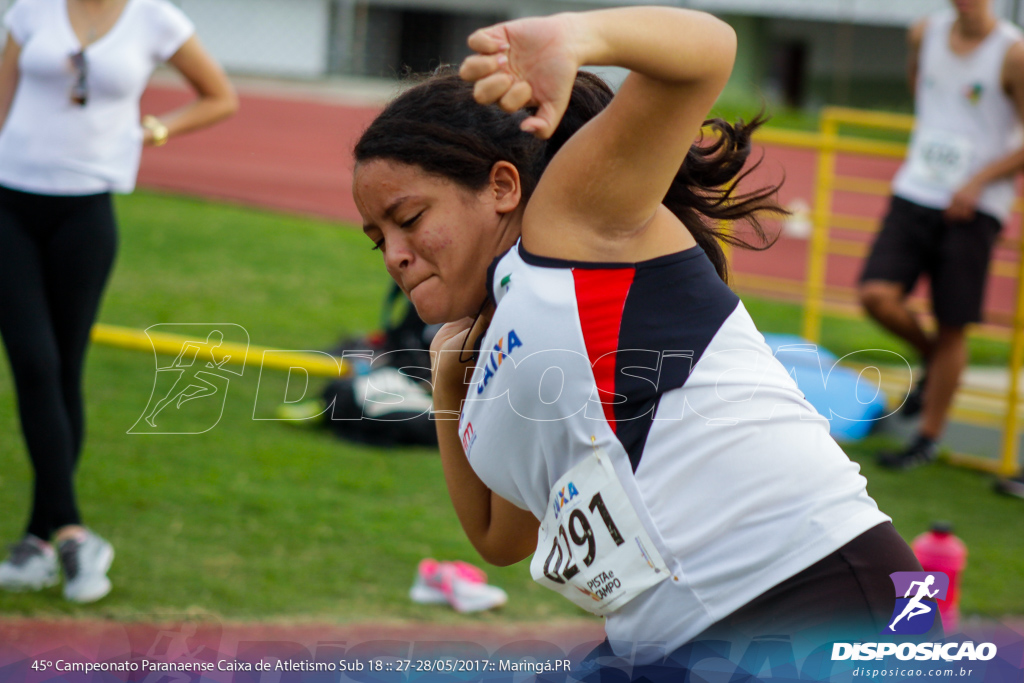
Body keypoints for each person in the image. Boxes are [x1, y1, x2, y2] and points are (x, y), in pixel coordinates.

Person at [352, 7, 926, 670]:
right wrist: (449, 382)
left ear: (503, 187)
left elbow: (708, 53)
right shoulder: (485, 355)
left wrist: (576, 37)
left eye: (409, 217)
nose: (395, 253)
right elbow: (498, 535)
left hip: (813, 592)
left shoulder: (567, 226)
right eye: (378, 240)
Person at [0, 0, 237, 603]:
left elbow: (219, 96)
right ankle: (74, 530)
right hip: (10, 205)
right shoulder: (30, 10)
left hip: (87, 208)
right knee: (34, 363)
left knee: (65, 370)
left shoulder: (156, 18)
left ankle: (36, 540)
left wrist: (156, 129)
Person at [858, 0, 1024, 471]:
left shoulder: (1012, 53)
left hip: (974, 208)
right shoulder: (924, 33)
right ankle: (936, 365)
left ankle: (926, 438)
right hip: (916, 188)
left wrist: (977, 181)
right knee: (876, 295)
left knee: (954, 321)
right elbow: (924, 89)